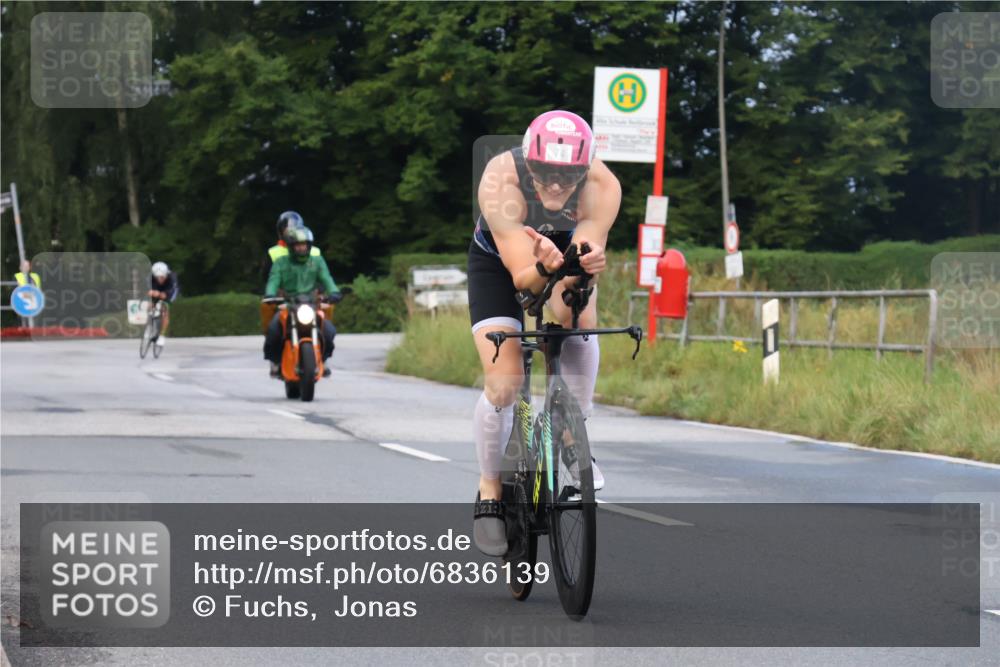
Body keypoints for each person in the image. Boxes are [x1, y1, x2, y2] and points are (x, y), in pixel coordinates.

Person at [468, 110, 621, 556]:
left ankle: (576, 432)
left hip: (563, 259)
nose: (556, 185)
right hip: (502, 264)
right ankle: (491, 487)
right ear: (529, 163)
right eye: (546, 174)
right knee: (504, 384)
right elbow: (521, 277)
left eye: (568, 175)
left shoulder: (603, 185)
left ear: (584, 168)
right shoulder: (501, 179)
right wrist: (542, 265)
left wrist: (583, 272)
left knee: (579, 320)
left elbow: (581, 263)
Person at [263, 226, 341, 378]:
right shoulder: (281, 263)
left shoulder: (317, 261)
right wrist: (270, 294)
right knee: (272, 330)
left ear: (309, 245)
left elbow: (327, 278)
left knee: (329, 330)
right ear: (291, 246)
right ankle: (276, 362)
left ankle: (323, 361)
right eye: (298, 245)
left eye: (304, 244)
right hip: (288, 304)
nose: (301, 248)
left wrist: (334, 292)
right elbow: (273, 280)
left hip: (312, 304)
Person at [262, 211, 322, 282]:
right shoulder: (273, 253)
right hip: (284, 291)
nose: (290, 232)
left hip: (310, 291)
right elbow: (267, 279)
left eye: (293, 228)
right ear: (281, 232)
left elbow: (322, 276)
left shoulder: (315, 252)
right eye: (286, 229)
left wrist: (319, 289)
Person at [148, 262, 180, 345]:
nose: (160, 280)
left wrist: (164, 295)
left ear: (166, 274)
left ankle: (162, 336)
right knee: (149, 303)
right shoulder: (151, 277)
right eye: (157, 277)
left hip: (168, 291)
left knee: (165, 311)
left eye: (162, 277)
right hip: (156, 289)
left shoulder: (172, 277)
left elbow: (173, 290)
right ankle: (150, 324)